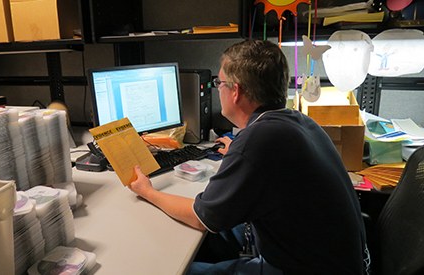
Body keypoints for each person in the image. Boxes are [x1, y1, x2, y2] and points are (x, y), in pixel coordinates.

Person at [128, 39, 369, 274]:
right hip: (331, 256)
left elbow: (202, 218)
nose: (217, 88)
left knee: (176, 268)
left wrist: (148, 191)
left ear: (236, 91)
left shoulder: (259, 140)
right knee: (211, 239)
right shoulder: (297, 121)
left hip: (299, 267)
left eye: (218, 83)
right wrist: (239, 150)